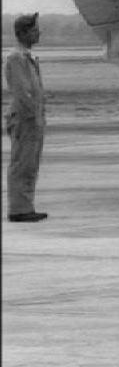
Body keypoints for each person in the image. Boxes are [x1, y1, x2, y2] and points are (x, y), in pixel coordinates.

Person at [6, 13, 47, 222]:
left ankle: (25, 206)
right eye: (33, 29)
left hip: (32, 117)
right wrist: (32, 116)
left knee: (30, 163)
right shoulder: (16, 58)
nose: (38, 32)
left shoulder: (27, 57)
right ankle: (18, 210)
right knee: (22, 163)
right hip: (25, 118)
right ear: (22, 33)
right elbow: (22, 92)